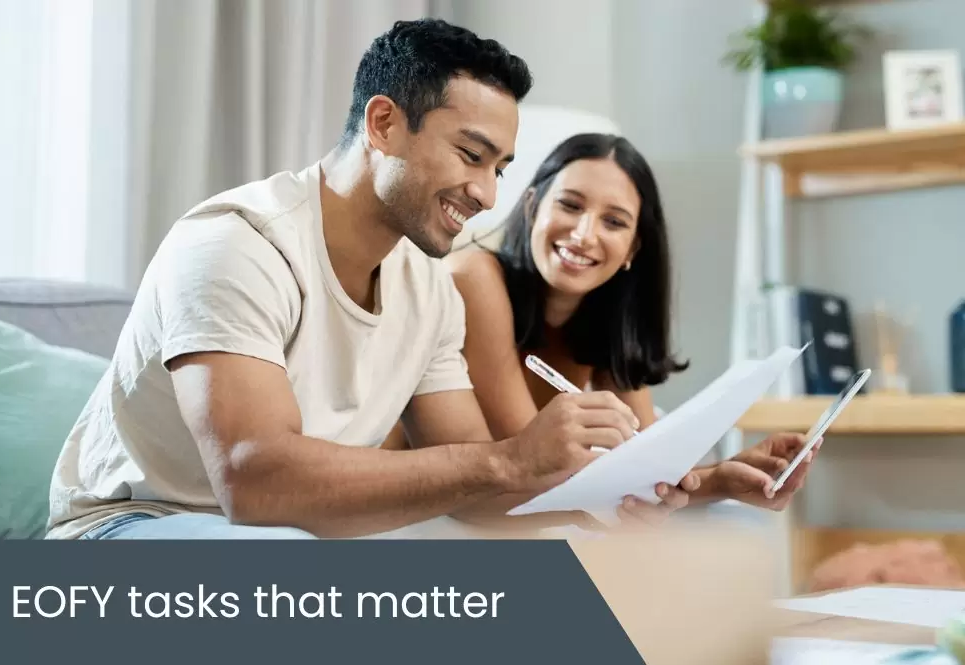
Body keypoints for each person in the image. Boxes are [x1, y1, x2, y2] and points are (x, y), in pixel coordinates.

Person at [44, 18, 687, 541]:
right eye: (471, 155)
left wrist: (601, 501)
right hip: (135, 525)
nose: (488, 195)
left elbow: (475, 488)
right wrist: (511, 459)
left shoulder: (430, 290)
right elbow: (252, 480)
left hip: (290, 536)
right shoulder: (237, 244)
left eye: (499, 169)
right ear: (383, 124)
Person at [433, 132, 820, 528]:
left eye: (614, 222)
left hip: (511, 512)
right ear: (532, 207)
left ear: (633, 249)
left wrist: (724, 478)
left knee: (738, 528)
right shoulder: (474, 277)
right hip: (445, 515)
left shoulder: (602, 318)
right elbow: (536, 467)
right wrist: (692, 481)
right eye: (570, 205)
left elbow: (651, 468)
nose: (584, 235)